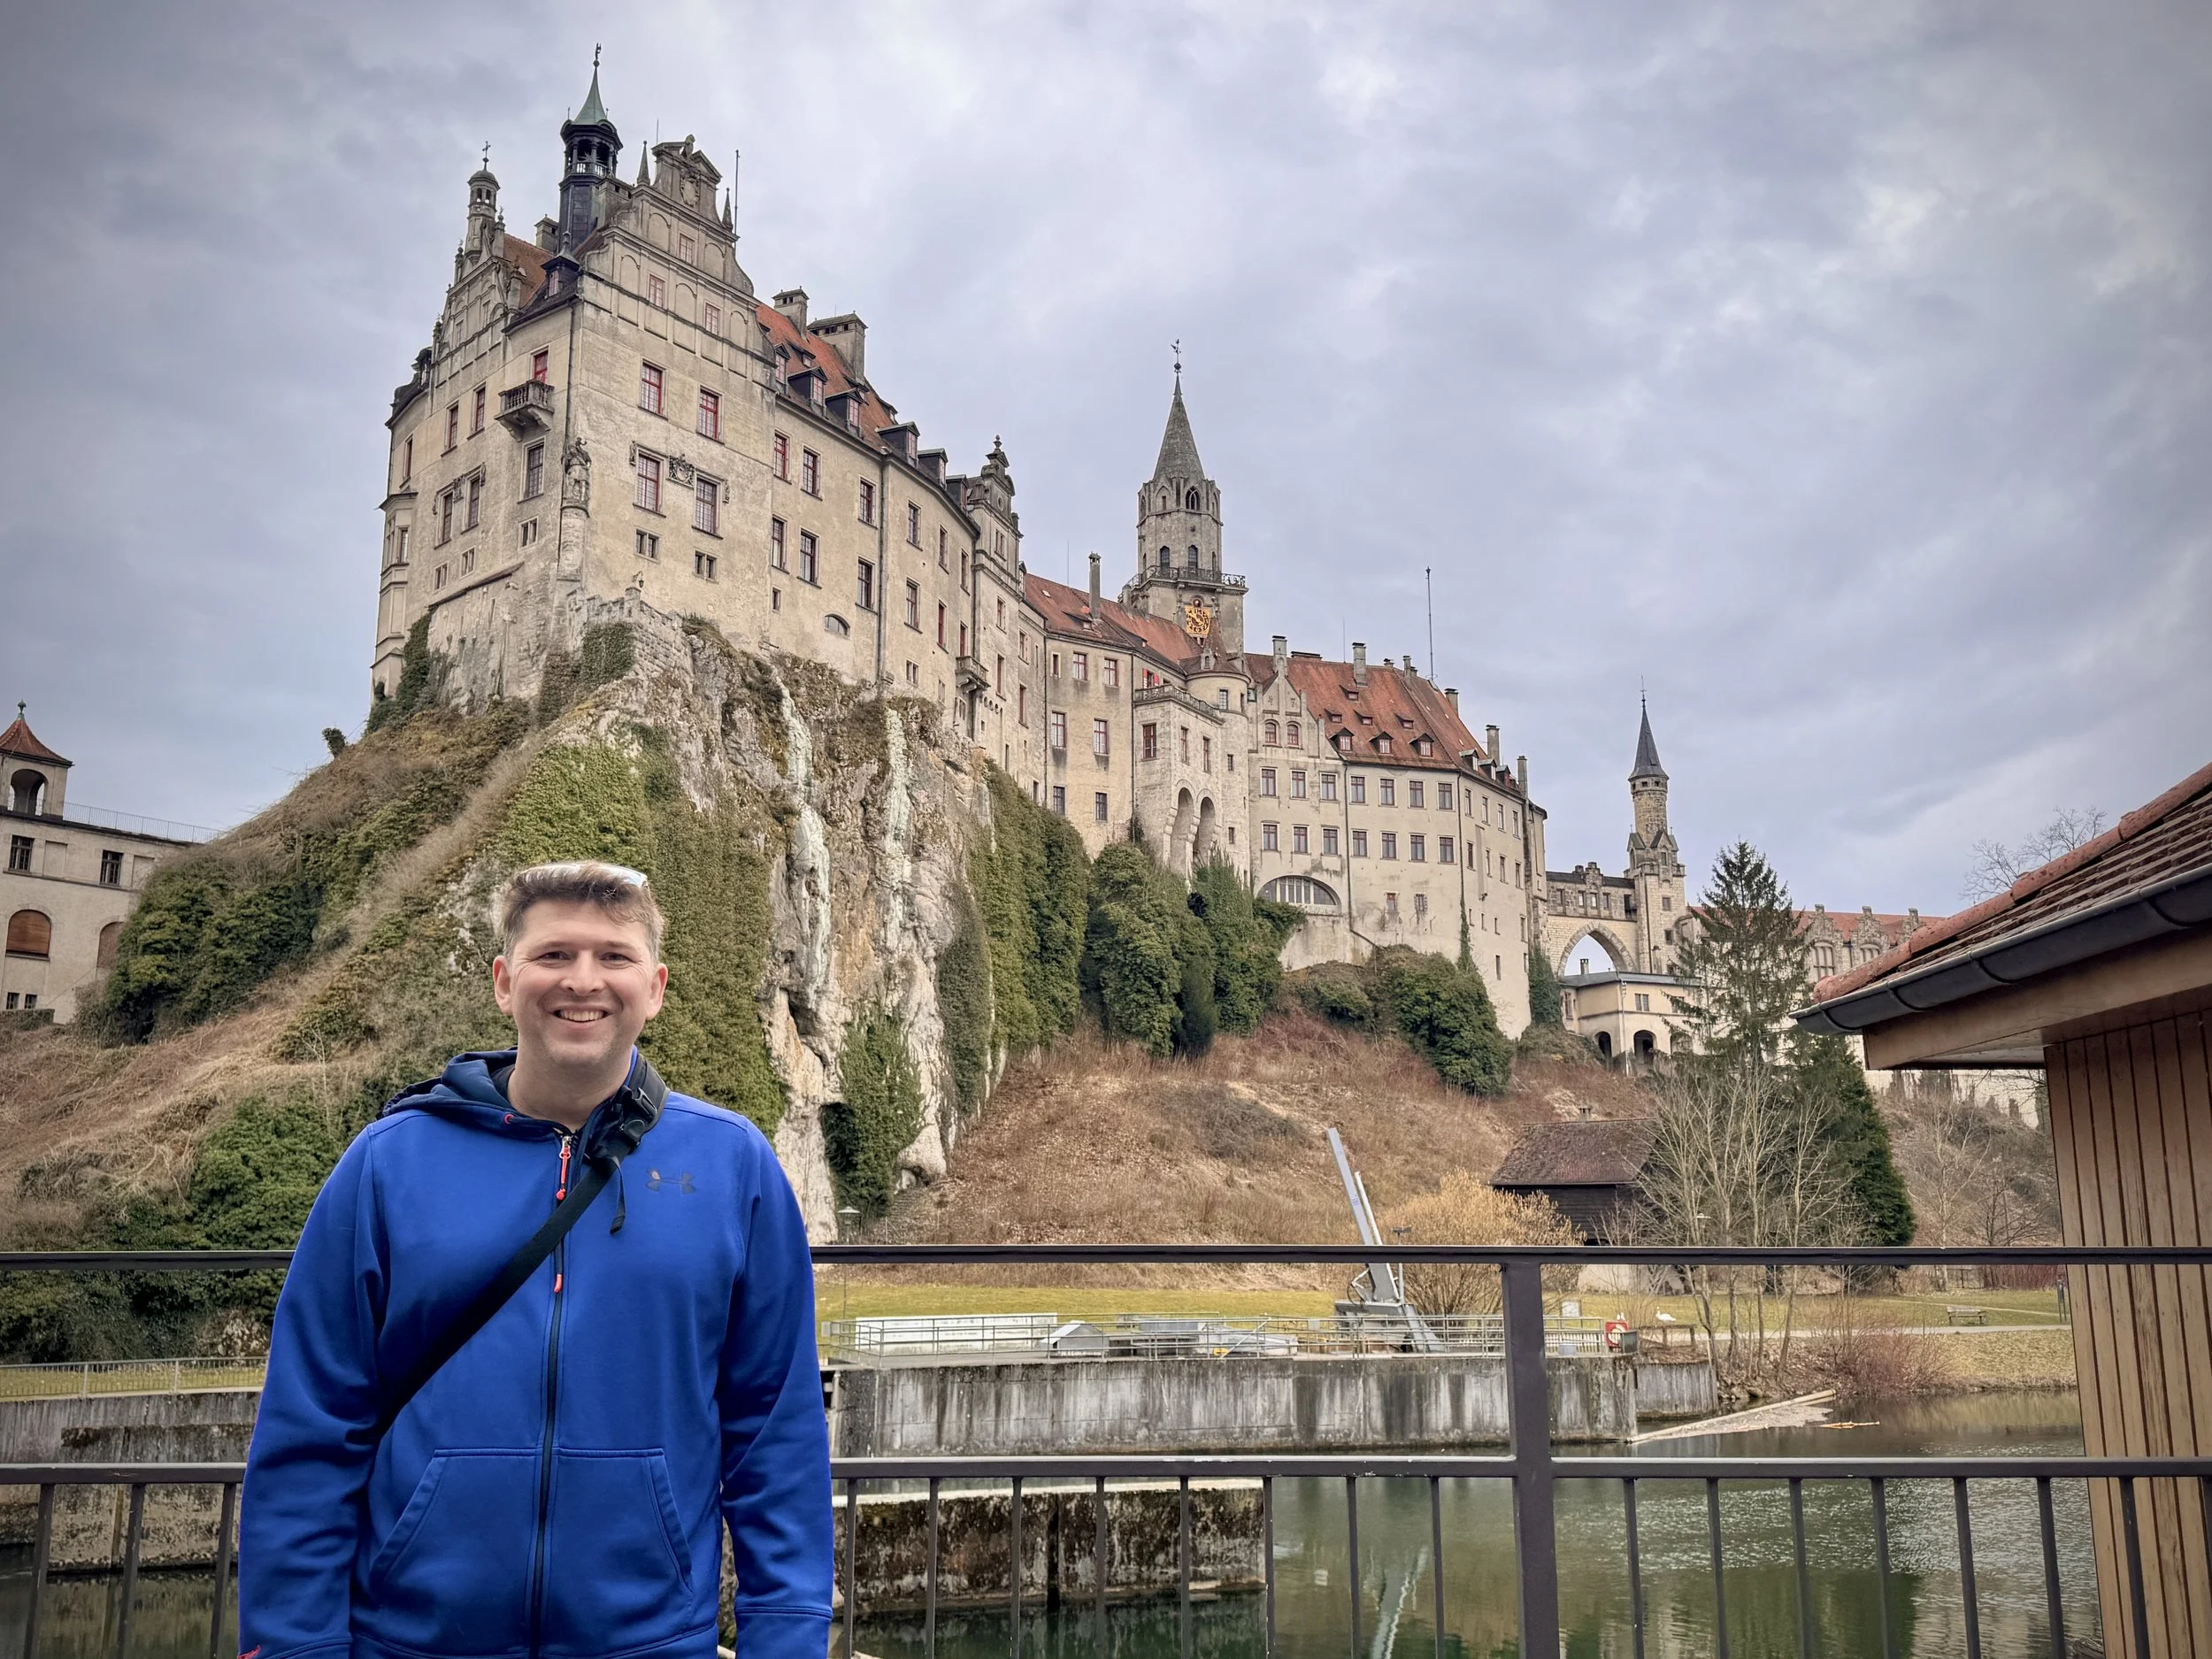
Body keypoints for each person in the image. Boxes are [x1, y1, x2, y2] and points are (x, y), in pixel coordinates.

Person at [240, 861, 831, 1659]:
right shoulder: (388, 1164)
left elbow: (774, 1436)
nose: (583, 980)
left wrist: (787, 1640)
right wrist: (293, 1648)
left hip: (650, 1643)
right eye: (553, 954)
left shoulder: (733, 1167)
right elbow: (311, 1429)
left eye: (613, 956)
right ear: (503, 980)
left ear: (654, 987)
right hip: (411, 1642)